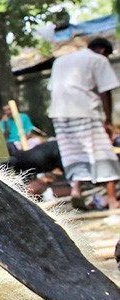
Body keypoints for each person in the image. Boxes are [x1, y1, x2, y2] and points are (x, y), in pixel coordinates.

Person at [48, 36, 120, 210]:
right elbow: (105, 91)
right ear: (103, 51)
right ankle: (112, 201)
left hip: (59, 113)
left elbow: (52, 88)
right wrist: (109, 122)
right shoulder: (98, 60)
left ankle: (76, 190)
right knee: (102, 153)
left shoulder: (60, 61)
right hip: (83, 111)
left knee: (73, 153)